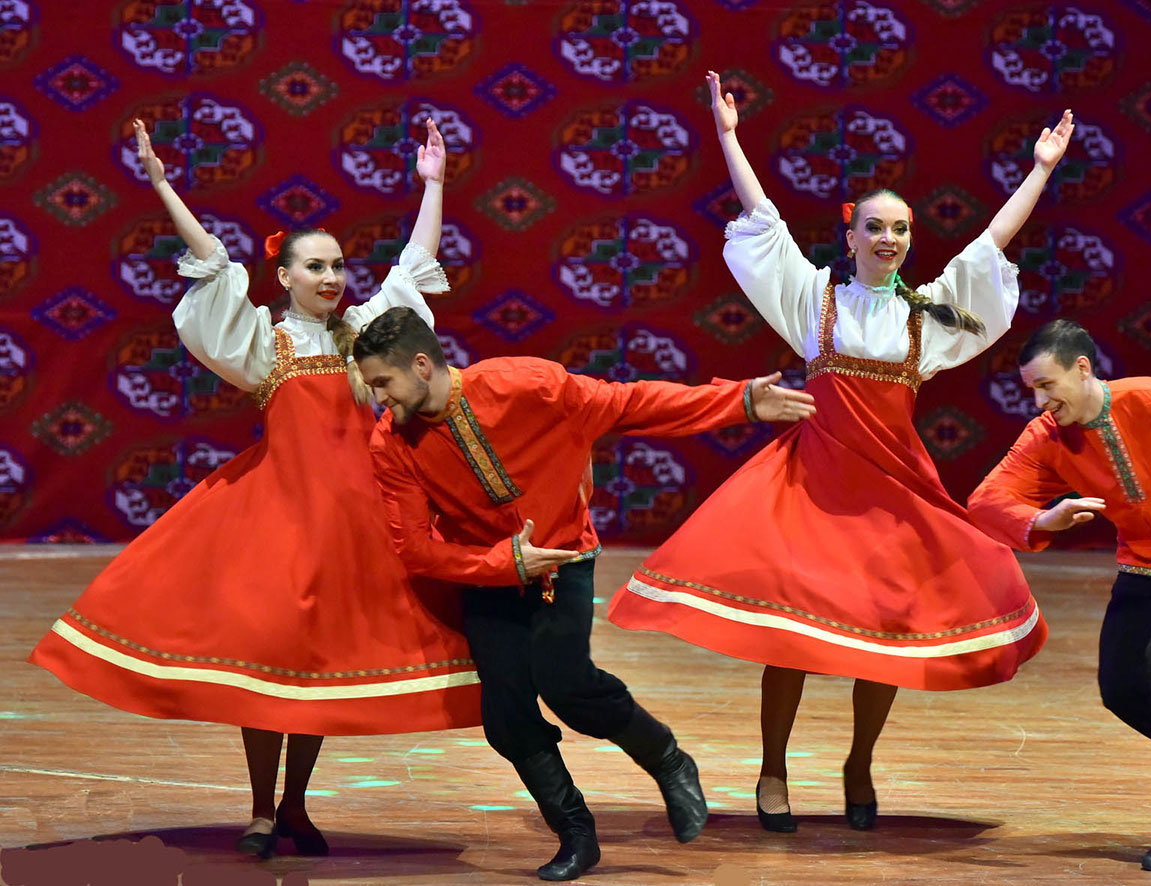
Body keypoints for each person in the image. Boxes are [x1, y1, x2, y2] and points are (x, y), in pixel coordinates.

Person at [607, 72, 1073, 833]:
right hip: (814, 486)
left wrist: (1042, 169)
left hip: (891, 492)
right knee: (791, 635)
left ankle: (859, 762)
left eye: (902, 231)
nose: (889, 239)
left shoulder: (927, 319)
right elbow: (762, 217)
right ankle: (773, 768)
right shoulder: (814, 298)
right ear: (851, 233)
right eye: (876, 228)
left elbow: (993, 244)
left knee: (879, 638)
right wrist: (727, 134)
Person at [28, 117, 481, 858]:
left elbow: (414, 268)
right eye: (315, 268)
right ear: (285, 277)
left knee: (319, 673)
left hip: (355, 524)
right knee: (271, 666)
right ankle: (263, 810)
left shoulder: (363, 335)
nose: (332, 278)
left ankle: (297, 807)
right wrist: (162, 185)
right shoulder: (262, 341)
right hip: (282, 520)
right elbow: (209, 261)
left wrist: (434, 186)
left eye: (337, 265)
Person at [355, 306, 816, 881]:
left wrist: (738, 402)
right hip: (485, 574)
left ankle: (667, 759)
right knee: (507, 717)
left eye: (383, 383)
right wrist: (504, 562)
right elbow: (415, 550)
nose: (379, 399)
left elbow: (629, 403)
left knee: (566, 682)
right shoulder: (391, 443)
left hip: (566, 557)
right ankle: (576, 834)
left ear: (422, 366)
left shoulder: (528, 386)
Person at [967, 319, 1151, 871]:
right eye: (1033, 391)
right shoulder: (1048, 437)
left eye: (1048, 386)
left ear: (1083, 368)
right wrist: (1044, 516)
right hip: (1143, 563)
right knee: (1121, 686)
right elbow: (987, 500)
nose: (1043, 402)